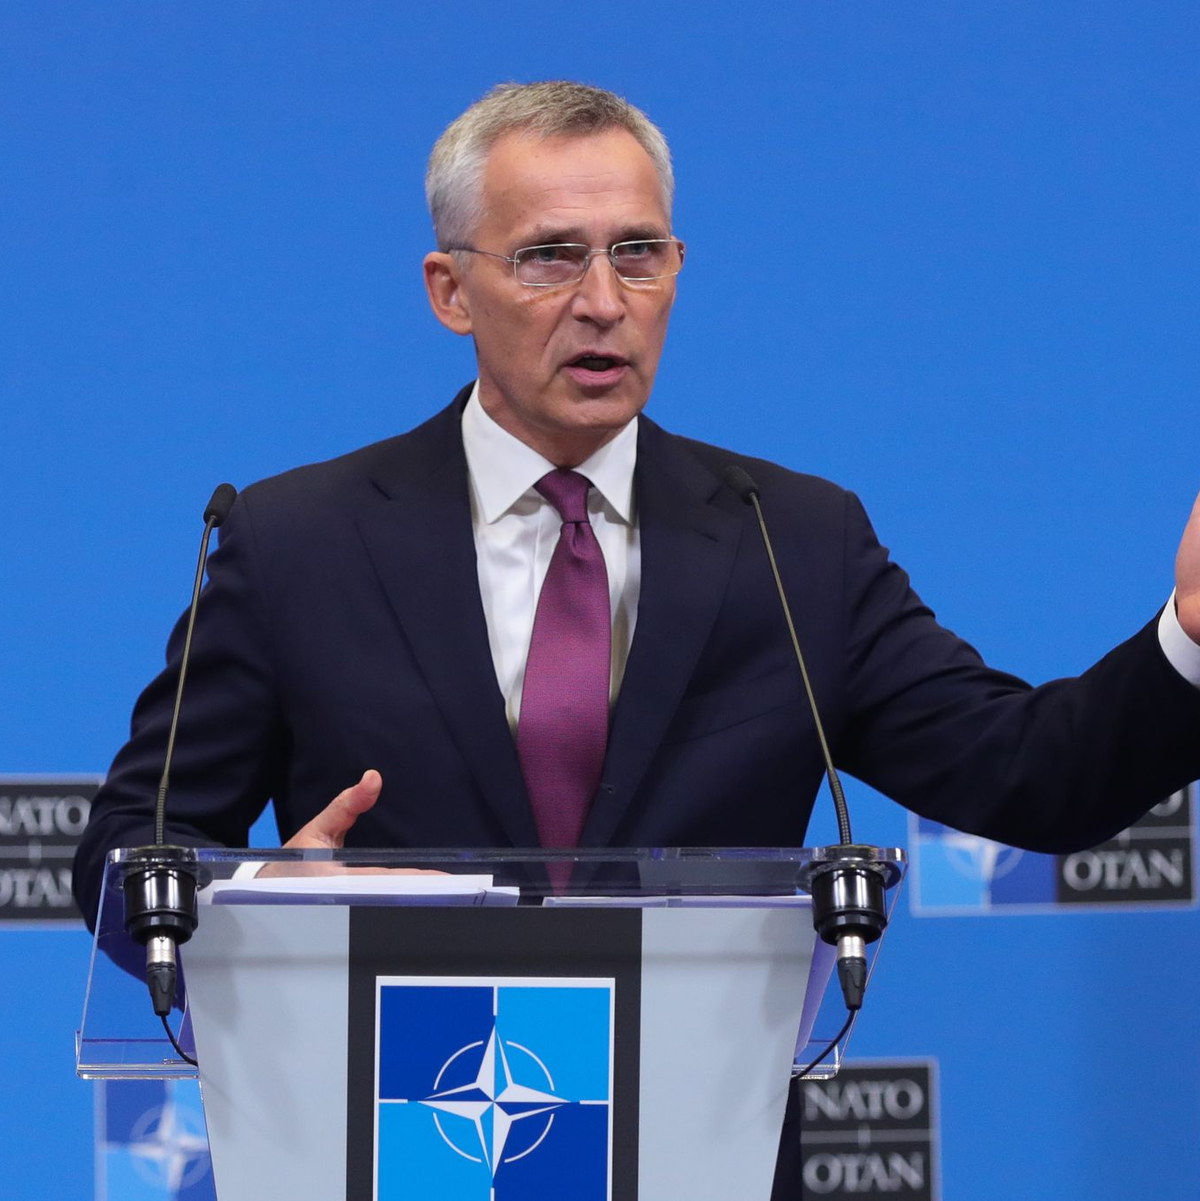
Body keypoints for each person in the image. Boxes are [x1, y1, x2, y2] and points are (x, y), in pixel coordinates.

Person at [73, 80, 1200, 1190]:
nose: (603, 300)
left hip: (707, 1154)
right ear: (450, 290)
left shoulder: (793, 539)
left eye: (638, 253)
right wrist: (250, 904)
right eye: (550, 256)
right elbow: (129, 846)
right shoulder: (296, 542)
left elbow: (1033, 779)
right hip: (394, 1146)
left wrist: (1190, 636)